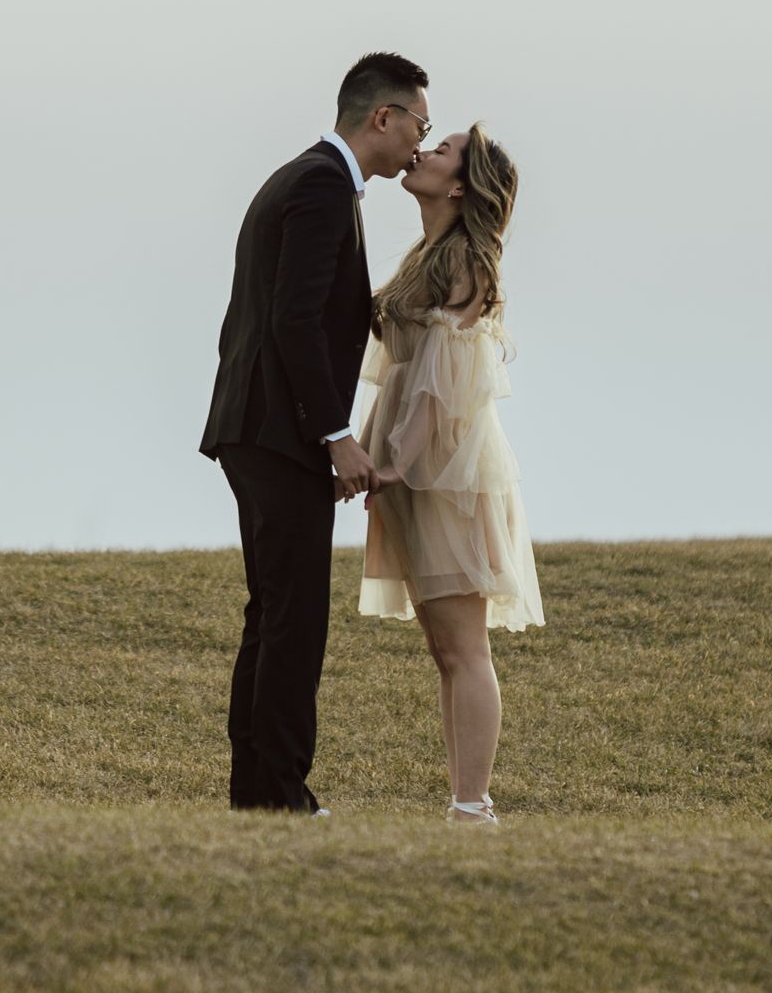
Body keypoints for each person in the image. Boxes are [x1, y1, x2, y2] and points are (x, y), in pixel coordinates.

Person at [200, 52, 431, 812]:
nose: (419, 145)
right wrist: (334, 434)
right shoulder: (323, 186)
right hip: (277, 432)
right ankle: (282, 798)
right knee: (294, 619)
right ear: (381, 117)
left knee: (273, 614)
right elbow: (293, 320)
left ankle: (257, 793)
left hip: (259, 426)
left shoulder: (307, 179)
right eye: (417, 126)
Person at [357, 123, 540, 824]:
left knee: (464, 646)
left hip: (445, 471)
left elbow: (443, 374)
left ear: (461, 184)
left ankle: (474, 806)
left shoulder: (467, 258)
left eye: (443, 150)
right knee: (444, 648)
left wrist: (399, 459)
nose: (424, 152)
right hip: (414, 462)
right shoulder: (426, 255)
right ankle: (464, 800)